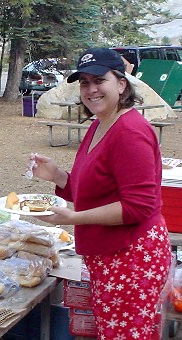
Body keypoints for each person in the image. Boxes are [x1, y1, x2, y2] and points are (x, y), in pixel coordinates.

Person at [30, 47, 172, 339]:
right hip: (110, 255)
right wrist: (57, 175)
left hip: (131, 257)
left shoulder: (130, 132)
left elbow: (138, 207)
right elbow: (96, 190)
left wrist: (75, 217)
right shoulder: (100, 124)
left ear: (121, 84)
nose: (91, 89)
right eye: (84, 82)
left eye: (99, 80)